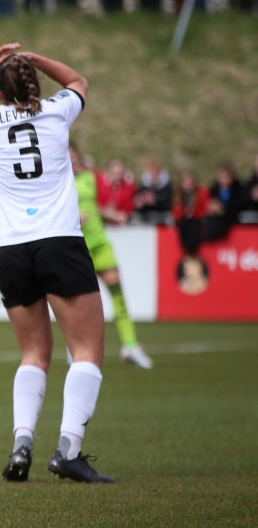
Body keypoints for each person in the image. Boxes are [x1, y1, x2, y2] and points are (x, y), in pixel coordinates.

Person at [0, 42, 114, 484]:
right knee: (86, 351)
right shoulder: (57, 111)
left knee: (33, 353)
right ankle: (68, 451)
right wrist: (34, 56)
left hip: (11, 248)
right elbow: (78, 82)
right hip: (59, 242)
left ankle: (21, 444)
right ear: (34, 84)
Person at [69, 143, 153, 369]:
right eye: (68, 157)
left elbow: (94, 206)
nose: (72, 161)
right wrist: (71, 219)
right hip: (76, 248)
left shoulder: (89, 178)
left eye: (74, 156)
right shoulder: (56, 182)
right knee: (80, 304)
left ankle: (130, 346)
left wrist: (111, 215)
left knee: (117, 291)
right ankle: (76, 350)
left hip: (100, 244)